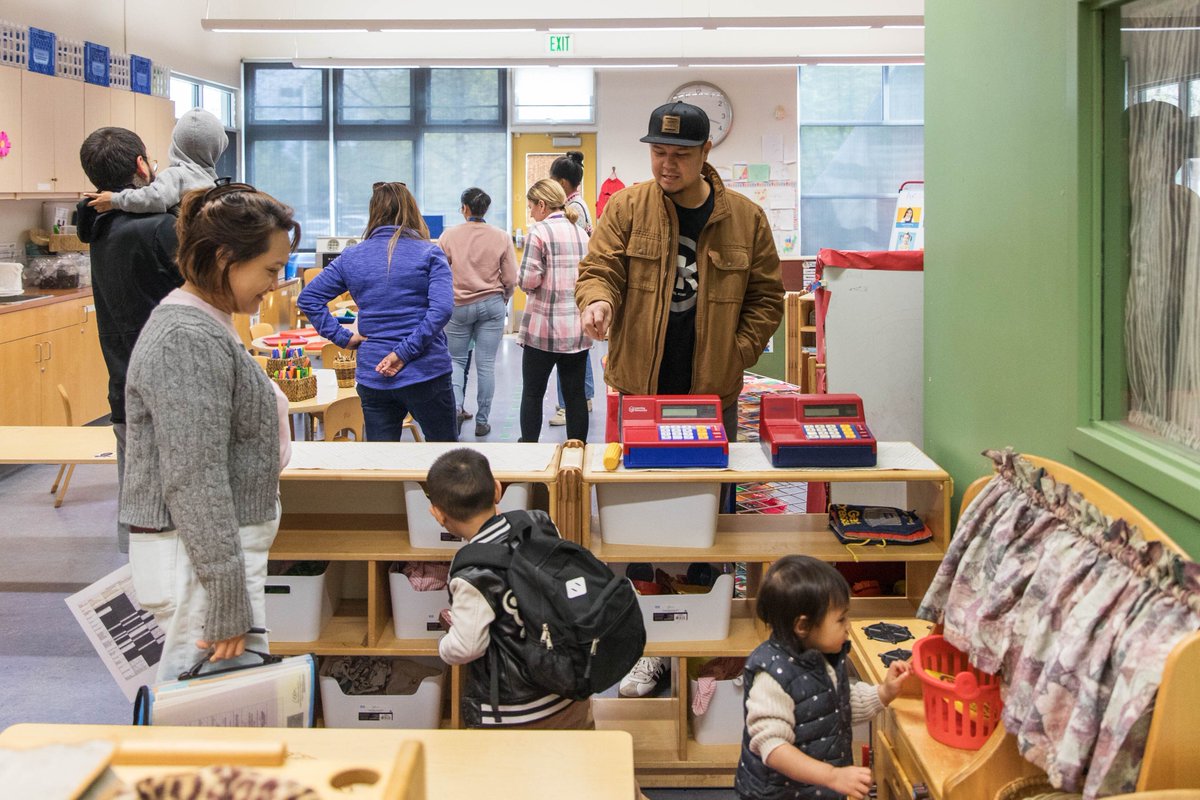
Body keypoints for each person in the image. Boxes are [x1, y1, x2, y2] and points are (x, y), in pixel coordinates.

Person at [120, 182, 299, 681]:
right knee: (198, 713)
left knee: (221, 709)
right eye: (269, 269)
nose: (276, 282)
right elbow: (193, 477)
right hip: (199, 562)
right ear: (225, 257)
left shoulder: (208, 323)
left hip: (209, 557)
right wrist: (225, 595)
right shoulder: (185, 339)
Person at [576, 101, 784, 437]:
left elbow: (767, 298)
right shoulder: (625, 208)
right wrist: (598, 300)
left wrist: (737, 352)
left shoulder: (747, 219)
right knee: (638, 486)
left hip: (713, 393)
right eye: (658, 152)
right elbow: (600, 268)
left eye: (681, 155)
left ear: (706, 151)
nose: (667, 165)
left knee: (710, 486)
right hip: (639, 390)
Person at [76, 127, 185, 554]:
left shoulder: (100, 226)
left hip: (124, 384)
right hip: (173, 386)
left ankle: (144, 589)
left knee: (139, 500)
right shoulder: (158, 228)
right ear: (142, 165)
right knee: (178, 505)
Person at [428, 448, 593, 729]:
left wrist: (444, 644)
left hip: (513, 713)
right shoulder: (540, 523)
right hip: (570, 692)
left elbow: (467, 646)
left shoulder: (470, 571)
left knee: (509, 772)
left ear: (438, 515)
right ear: (497, 489)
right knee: (574, 766)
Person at [735, 556, 912, 800]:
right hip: (779, 794)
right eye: (840, 619)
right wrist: (832, 775)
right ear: (803, 626)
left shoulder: (821, 657)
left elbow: (836, 704)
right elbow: (774, 749)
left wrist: (883, 692)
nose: (848, 626)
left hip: (819, 789)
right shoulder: (771, 677)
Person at [299, 182, 457, 442]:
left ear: (373, 213)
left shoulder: (351, 257)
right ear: (411, 211)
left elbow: (309, 298)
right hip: (426, 372)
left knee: (381, 461)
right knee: (446, 456)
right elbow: (441, 310)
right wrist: (404, 353)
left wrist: (344, 339)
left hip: (375, 375)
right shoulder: (429, 253)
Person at [437, 187, 517, 438]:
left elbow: (437, 273)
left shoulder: (448, 236)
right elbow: (511, 278)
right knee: (485, 366)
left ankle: (457, 410)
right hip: (491, 304)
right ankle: (482, 421)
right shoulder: (501, 236)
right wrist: (503, 298)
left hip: (458, 306)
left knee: (456, 362)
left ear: (465, 208)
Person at [517, 179, 591, 443]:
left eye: (530, 206)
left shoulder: (539, 232)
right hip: (577, 329)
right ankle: (577, 450)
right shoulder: (581, 233)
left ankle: (530, 452)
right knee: (575, 396)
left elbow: (528, 280)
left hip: (543, 330)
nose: (530, 212)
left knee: (533, 394)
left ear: (542, 204)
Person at [84, 108, 228, 214]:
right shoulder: (212, 182)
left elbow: (154, 197)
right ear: (217, 148)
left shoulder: (177, 175)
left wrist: (115, 200)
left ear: (176, 143)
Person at [548, 151, 596, 427]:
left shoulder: (571, 210)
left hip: (571, 285)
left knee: (566, 349)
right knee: (579, 346)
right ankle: (584, 395)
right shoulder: (580, 204)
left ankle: (568, 404)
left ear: (563, 182)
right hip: (578, 283)